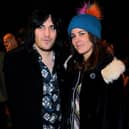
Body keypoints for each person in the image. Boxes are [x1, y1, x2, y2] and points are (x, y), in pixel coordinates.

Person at [64, 2, 127, 129]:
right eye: (73, 36)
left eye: (82, 33)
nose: (77, 40)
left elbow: (117, 116)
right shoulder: (73, 66)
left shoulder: (109, 69)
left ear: (93, 36)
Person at [4, 9, 67, 129]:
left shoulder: (64, 59)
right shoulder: (15, 60)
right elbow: (15, 107)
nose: (47, 34)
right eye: (41, 27)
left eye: (52, 27)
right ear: (33, 30)